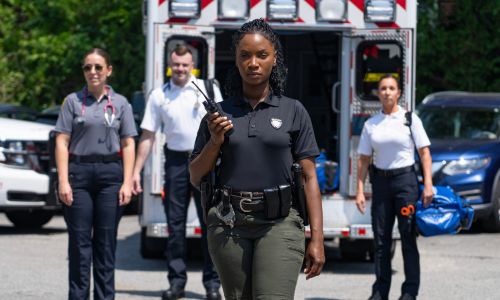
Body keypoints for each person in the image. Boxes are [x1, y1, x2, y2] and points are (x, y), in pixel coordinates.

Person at [189, 18, 325, 300]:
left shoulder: (293, 111)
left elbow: (310, 177)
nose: (253, 63)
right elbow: (195, 175)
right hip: (229, 224)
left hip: (280, 222)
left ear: (275, 59)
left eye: (262, 55)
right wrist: (215, 142)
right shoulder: (218, 116)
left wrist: (317, 239)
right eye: (245, 55)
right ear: (236, 61)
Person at [131, 44, 222, 300]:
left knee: (210, 225)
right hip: (174, 162)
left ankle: (212, 285)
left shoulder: (207, 89)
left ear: (192, 65)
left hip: (204, 160)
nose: (180, 69)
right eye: (176, 65)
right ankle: (177, 282)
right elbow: (147, 135)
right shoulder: (159, 96)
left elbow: (223, 127)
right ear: (170, 65)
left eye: (185, 64)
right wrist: (136, 172)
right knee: (175, 226)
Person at [55, 48, 137, 299]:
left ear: (108, 71)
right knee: (79, 246)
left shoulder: (121, 103)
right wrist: (62, 181)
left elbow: (128, 143)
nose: (92, 72)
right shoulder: (72, 102)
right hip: (78, 175)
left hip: (110, 176)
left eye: (98, 67)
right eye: (87, 67)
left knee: (105, 245)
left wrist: (126, 182)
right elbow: (61, 141)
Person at [355, 74, 434, 300]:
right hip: (380, 183)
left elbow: (424, 153)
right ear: (378, 93)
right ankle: (380, 292)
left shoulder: (410, 119)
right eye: (383, 88)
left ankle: (409, 292)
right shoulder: (371, 124)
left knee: (408, 238)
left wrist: (428, 184)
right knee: (381, 241)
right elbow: (363, 159)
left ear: (399, 93)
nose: (387, 92)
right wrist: (360, 190)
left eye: (391, 88)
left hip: (405, 183)